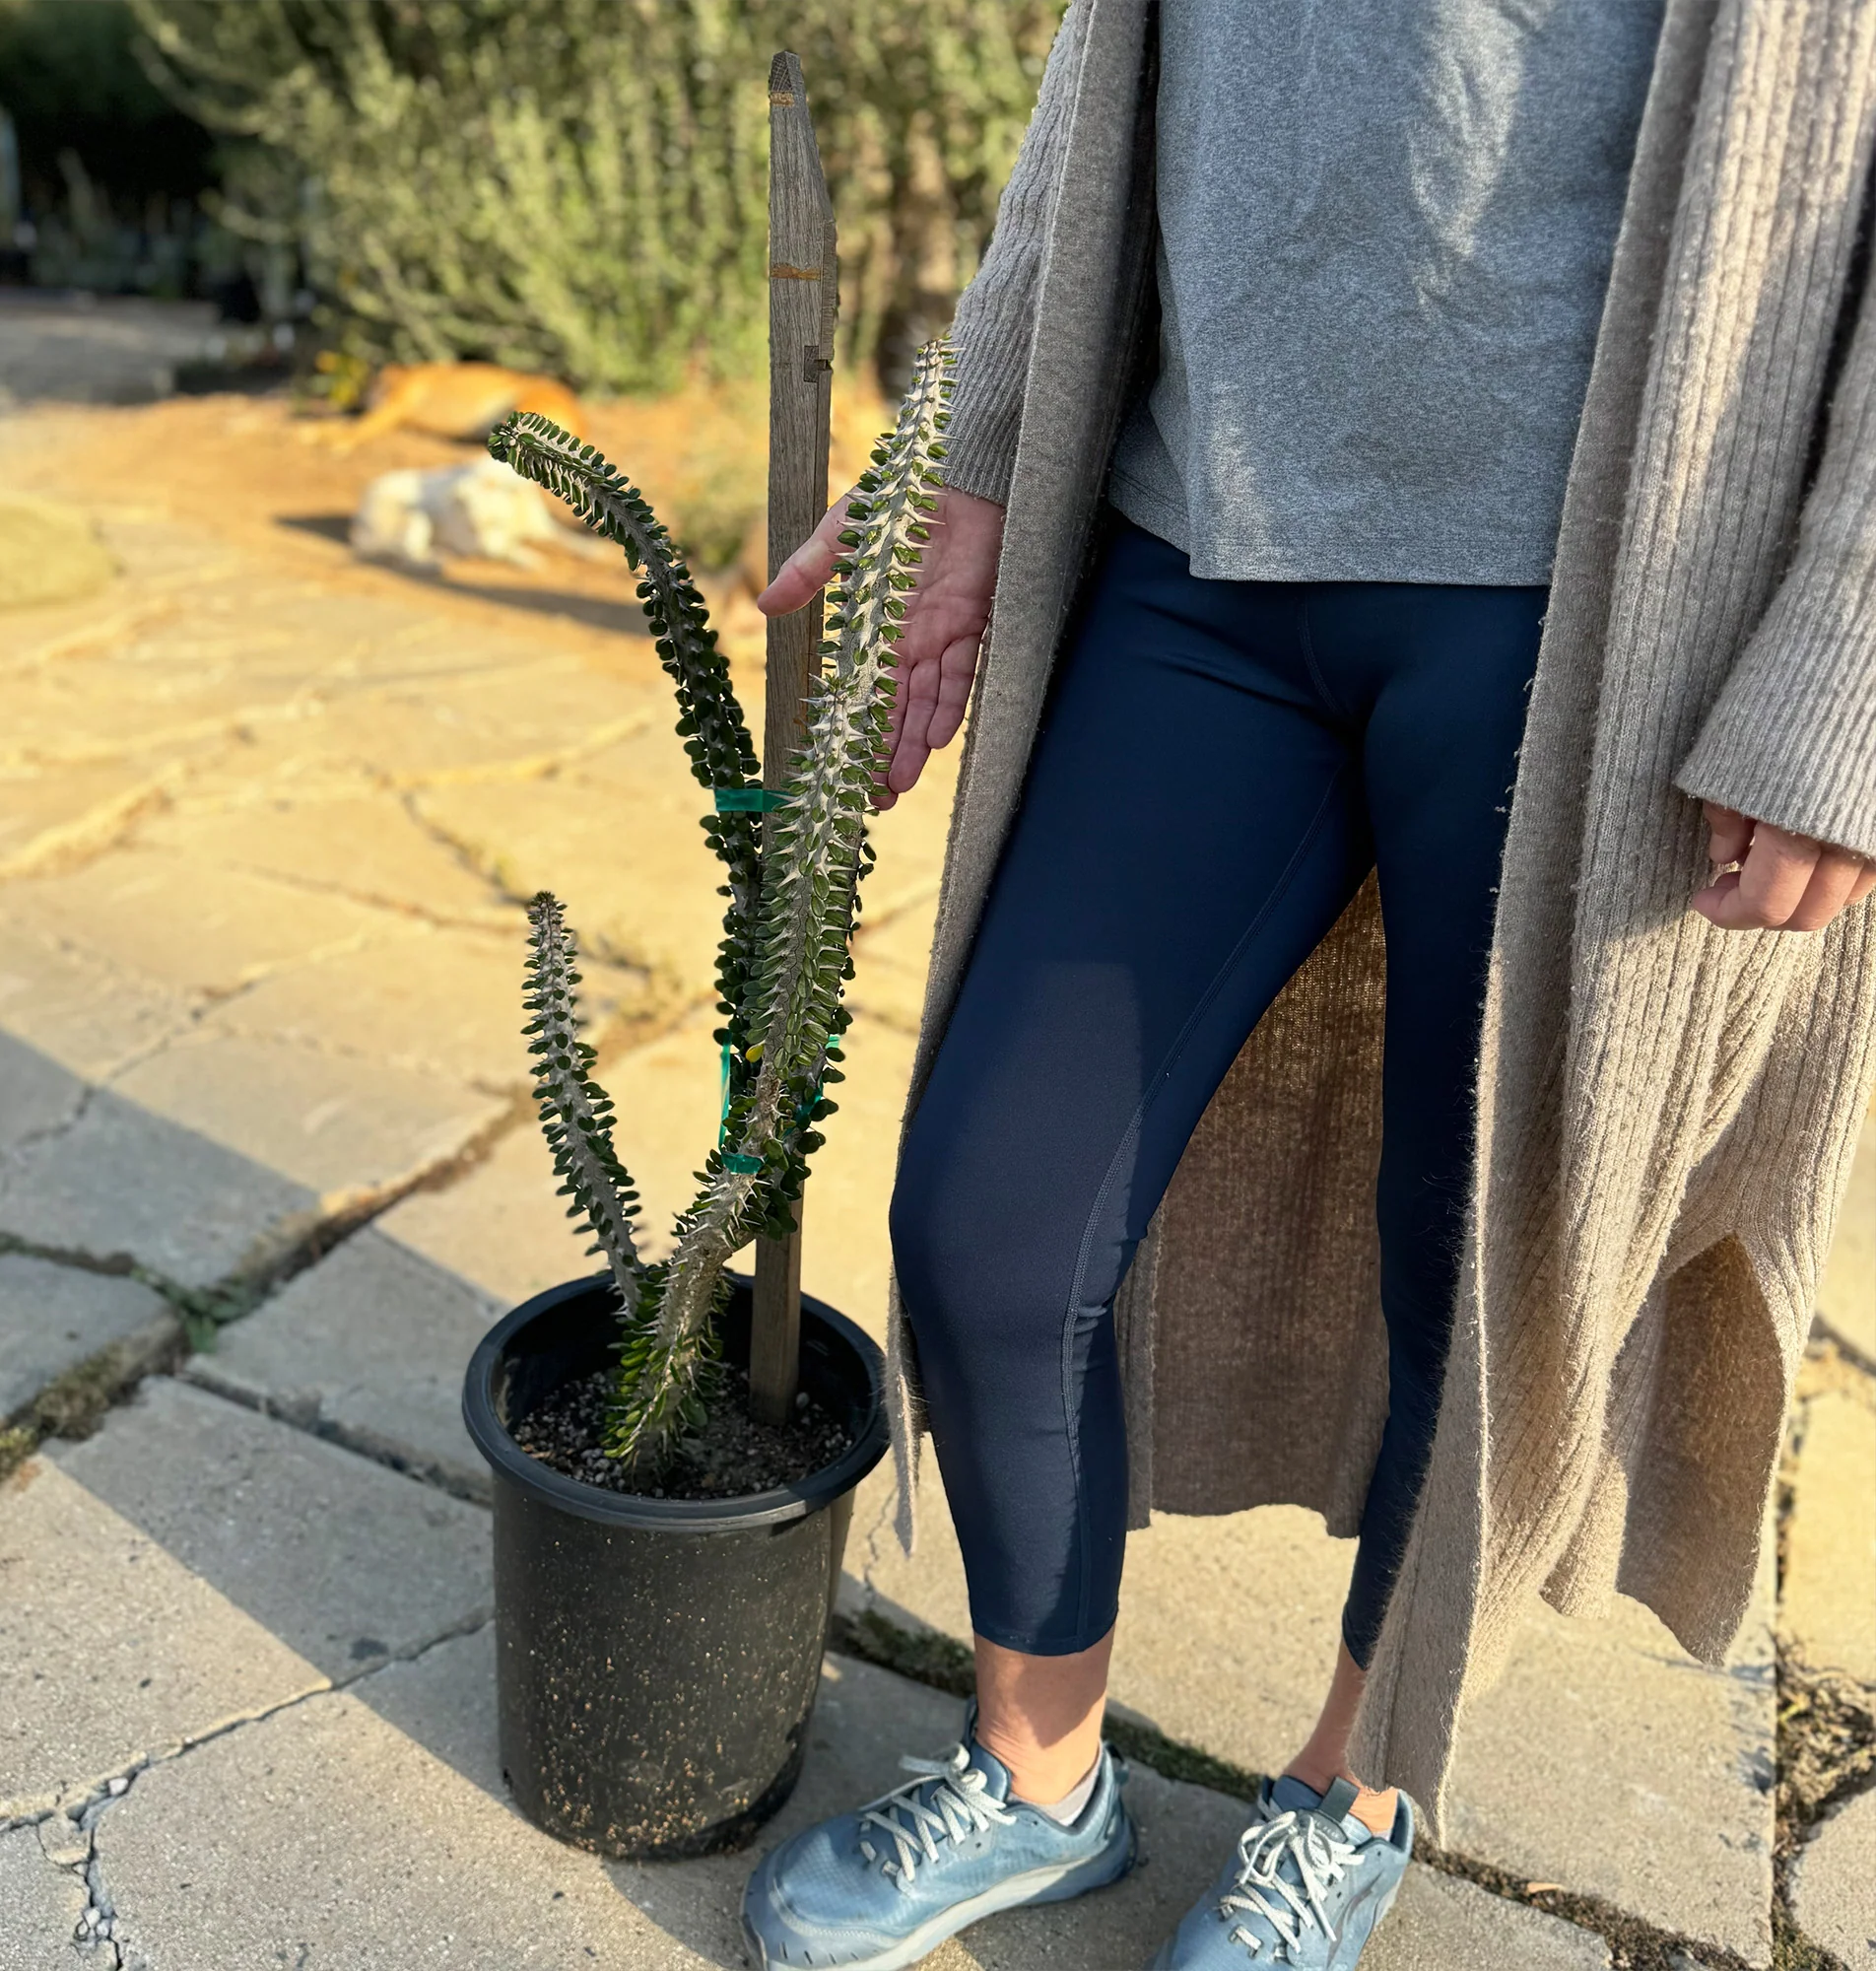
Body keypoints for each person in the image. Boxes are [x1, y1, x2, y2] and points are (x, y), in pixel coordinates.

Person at [741, 2, 1876, 1965]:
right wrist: (989, 456)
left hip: (1600, 612)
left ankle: (1350, 1786)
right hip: (1198, 551)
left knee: (1483, 1271)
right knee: (989, 1221)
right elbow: (1113, 77)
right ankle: (1035, 1766)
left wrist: (1842, 665)